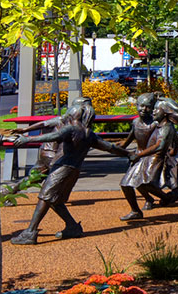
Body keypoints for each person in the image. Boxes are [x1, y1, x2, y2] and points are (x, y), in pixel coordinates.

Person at [8, 98, 131, 244]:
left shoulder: (71, 128)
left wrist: (27, 139)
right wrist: (129, 154)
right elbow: (109, 147)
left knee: (45, 197)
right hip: (73, 171)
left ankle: (30, 232)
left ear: (73, 115)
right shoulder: (89, 133)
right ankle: (72, 227)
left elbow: (53, 136)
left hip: (61, 168)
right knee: (55, 201)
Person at [118, 92, 178, 219]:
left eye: (149, 107)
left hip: (151, 157)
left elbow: (162, 144)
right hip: (143, 156)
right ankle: (154, 200)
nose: (145, 110)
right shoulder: (138, 123)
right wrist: (122, 146)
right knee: (137, 183)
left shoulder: (158, 125)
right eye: (141, 106)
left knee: (147, 182)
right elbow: (132, 135)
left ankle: (162, 196)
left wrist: (173, 151)